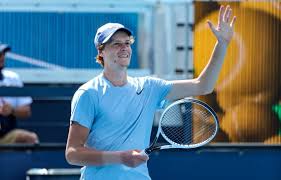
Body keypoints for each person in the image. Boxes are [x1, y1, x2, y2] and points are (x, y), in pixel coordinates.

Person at [65, 5, 236, 180]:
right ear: (101, 51)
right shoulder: (88, 93)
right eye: (116, 44)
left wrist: (222, 44)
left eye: (127, 43)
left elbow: (203, 85)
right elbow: (73, 153)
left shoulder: (149, 87)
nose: (124, 48)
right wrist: (120, 158)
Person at [0, 43, 39, 144]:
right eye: (0, 54)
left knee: (31, 138)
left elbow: (26, 111)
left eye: (3, 54)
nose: (2, 57)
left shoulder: (13, 78)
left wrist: (11, 110)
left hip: (6, 136)